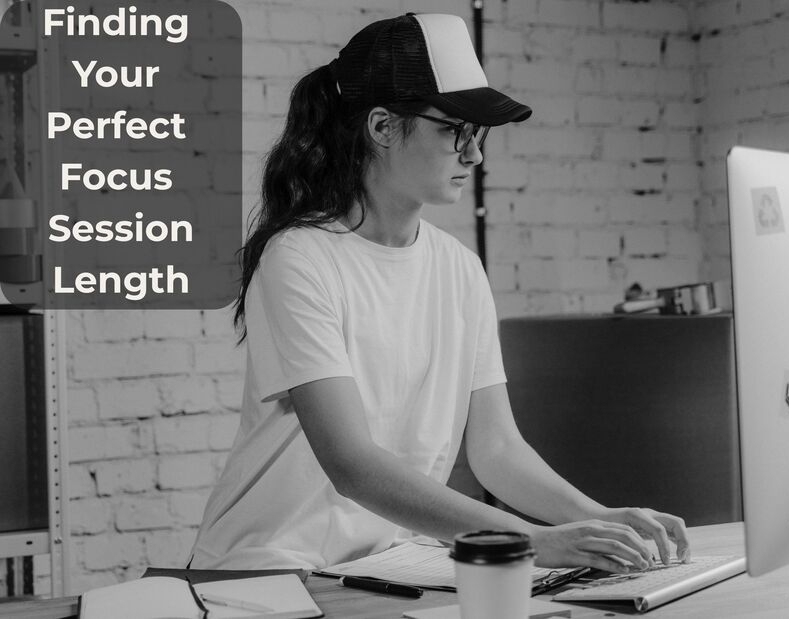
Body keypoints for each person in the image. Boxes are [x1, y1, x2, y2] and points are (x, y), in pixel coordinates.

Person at [189, 13, 690, 572]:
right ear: (381, 127)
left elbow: (496, 449)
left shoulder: (459, 269)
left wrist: (596, 516)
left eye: (478, 135)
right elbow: (353, 465)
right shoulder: (299, 259)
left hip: (382, 564)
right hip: (266, 569)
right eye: (455, 130)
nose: (474, 156)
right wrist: (530, 541)